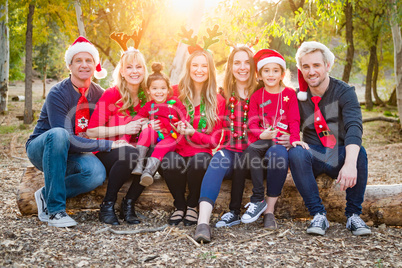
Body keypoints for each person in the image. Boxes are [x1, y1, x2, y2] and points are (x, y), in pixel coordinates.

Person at [26, 36, 114, 228]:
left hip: (74, 153)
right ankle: (55, 210)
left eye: (89, 60)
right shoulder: (58, 93)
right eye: (78, 60)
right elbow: (66, 140)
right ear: (70, 65)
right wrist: (107, 144)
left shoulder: (100, 94)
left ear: (95, 64)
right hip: (42, 150)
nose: (84, 65)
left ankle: (44, 194)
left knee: (96, 174)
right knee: (59, 134)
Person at [288, 41, 371, 236]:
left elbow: (354, 127)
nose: (311, 71)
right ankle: (318, 215)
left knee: (359, 153)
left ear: (327, 66)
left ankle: (353, 215)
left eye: (316, 65)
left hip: (338, 154)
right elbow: (292, 125)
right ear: (300, 69)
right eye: (306, 66)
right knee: (296, 153)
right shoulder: (297, 96)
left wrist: (349, 164)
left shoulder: (344, 92)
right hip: (313, 154)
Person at [193, 46, 257, 243]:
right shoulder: (222, 95)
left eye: (247, 62)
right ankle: (202, 223)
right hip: (229, 152)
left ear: (253, 66)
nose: (242, 67)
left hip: (255, 158)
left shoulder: (262, 92)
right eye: (237, 62)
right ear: (230, 66)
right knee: (217, 160)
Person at [238, 49, 308, 229]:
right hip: (262, 140)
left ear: (282, 74)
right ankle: (257, 198)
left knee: (278, 154)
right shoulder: (256, 96)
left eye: (275, 70)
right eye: (266, 71)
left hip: (279, 144)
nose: (271, 74)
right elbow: (251, 123)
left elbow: (294, 120)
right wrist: (260, 134)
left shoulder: (290, 94)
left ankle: (269, 212)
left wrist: (294, 139)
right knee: (251, 149)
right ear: (260, 75)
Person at [87, 46, 155, 225]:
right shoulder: (111, 94)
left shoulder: (148, 97)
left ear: (144, 70)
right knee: (130, 154)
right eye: (130, 67)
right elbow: (92, 131)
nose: (135, 71)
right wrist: (125, 129)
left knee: (155, 152)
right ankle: (107, 205)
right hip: (109, 150)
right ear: (122, 72)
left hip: (135, 151)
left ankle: (129, 203)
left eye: (139, 67)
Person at [159, 49, 225, 227]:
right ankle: (179, 205)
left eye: (204, 66)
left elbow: (214, 142)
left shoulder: (217, 100)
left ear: (210, 70)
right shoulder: (174, 92)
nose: (199, 70)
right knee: (169, 160)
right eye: (195, 65)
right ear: (188, 68)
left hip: (200, 153)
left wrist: (192, 133)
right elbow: (160, 115)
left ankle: (192, 206)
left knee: (200, 161)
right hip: (176, 149)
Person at [130, 62, 188, 187]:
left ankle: (148, 172)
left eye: (163, 88)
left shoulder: (174, 102)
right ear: (148, 90)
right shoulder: (148, 105)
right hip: (154, 135)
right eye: (154, 88)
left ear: (168, 89)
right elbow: (137, 120)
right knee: (147, 131)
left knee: (161, 147)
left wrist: (181, 125)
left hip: (171, 137)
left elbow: (184, 115)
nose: (159, 92)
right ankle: (139, 164)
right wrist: (146, 123)